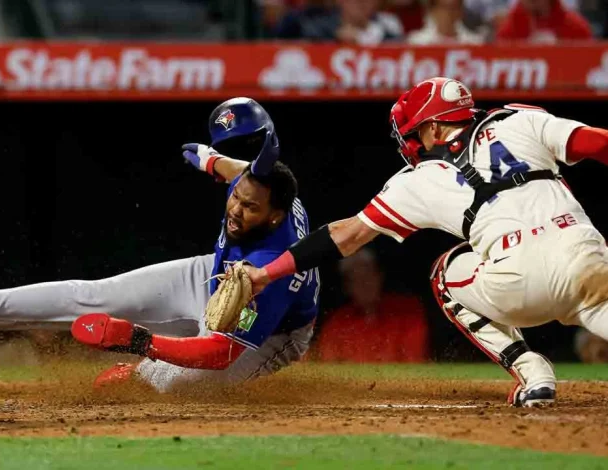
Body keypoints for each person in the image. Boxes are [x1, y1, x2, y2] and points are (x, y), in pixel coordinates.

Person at [243, 76, 608, 407]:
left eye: (416, 132)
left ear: (434, 126)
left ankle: (532, 372)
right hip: (584, 258)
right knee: (593, 297)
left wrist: (266, 273)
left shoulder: (419, 178)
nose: (413, 142)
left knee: (445, 275)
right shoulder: (519, 119)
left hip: (517, 283)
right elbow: (599, 142)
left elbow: (345, 235)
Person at [0, 98, 321, 393]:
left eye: (250, 207)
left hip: (268, 330)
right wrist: (212, 161)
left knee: (164, 388)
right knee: (93, 295)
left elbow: (220, 353)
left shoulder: (272, 268)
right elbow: (239, 171)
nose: (237, 209)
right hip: (213, 273)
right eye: (236, 196)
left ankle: (141, 374)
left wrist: (140, 341)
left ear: (275, 216)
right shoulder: (261, 185)